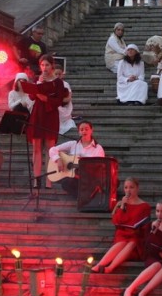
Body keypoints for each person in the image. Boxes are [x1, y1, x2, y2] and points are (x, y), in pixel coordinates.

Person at [122, 199, 162, 296]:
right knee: (157, 265)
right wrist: (153, 231)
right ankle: (129, 289)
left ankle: (142, 293)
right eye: (157, 211)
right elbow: (147, 247)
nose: (159, 214)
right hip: (154, 257)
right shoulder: (151, 226)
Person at [91, 178, 151, 274]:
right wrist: (123, 205)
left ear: (137, 188)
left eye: (131, 187)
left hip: (137, 239)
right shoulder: (121, 204)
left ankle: (110, 268)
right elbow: (116, 221)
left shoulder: (145, 206)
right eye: (126, 187)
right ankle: (99, 265)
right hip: (122, 235)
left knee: (132, 242)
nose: (128, 190)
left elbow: (145, 226)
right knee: (122, 242)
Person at [26, 54, 66, 189]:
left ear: (52, 66)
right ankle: (36, 179)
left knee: (50, 149)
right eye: (42, 65)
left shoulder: (58, 82)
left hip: (50, 114)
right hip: (37, 114)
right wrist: (38, 84)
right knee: (36, 148)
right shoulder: (38, 79)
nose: (44, 68)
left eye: (47, 65)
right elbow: (31, 96)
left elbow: (60, 100)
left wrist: (46, 99)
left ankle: (49, 180)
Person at [48, 121, 105, 197]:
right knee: (67, 182)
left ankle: (85, 198)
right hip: (74, 178)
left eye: (86, 129)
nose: (84, 131)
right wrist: (58, 159)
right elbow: (52, 149)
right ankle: (84, 198)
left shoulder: (98, 148)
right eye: (81, 130)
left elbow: (99, 166)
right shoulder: (73, 144)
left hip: (88, 179)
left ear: (91, 130)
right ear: (79, 132)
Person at [54, 66, 76, 135]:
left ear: (62, 74)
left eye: (59, 74)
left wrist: (58, 100)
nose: (57, 76)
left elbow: (68, 98)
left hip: (63, 106)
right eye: (56, 74)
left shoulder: (66, 84)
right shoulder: (50, 83)